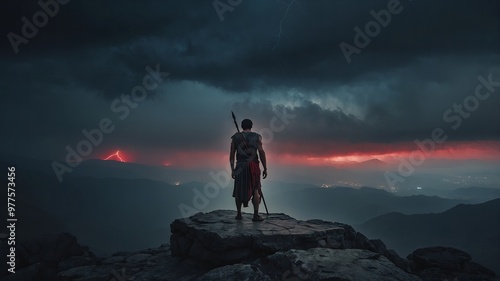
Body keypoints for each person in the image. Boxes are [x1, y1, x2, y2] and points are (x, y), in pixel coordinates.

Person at [229, 118, 268, 221]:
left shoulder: (235, 138)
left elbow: (232, 155)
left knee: (239, 189)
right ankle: (255, 215)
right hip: (253, 165)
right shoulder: (257, 137)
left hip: (240, 165)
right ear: (251, 126)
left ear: (242, 126)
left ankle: (239, 214)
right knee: (255, 189)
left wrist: (232, 169)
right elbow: (261, 152)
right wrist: (265, 168)